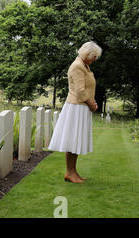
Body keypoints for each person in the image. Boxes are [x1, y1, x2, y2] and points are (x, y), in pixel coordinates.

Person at [48, 41, 102, 183]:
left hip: (82, 107)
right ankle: (69, 172)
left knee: (76, 140)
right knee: (73, 139)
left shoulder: (85, 66)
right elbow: (80, 91)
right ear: (88, 54)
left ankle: (73, 172)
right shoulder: (77, 66)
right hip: (76, 107)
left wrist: (92, 103)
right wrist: (91, 104)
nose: (95, 59)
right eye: (94, 56)